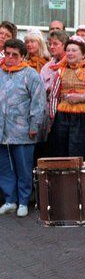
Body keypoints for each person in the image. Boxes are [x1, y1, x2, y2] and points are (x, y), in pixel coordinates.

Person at [0, 39, 45, 217]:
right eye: (7, 54)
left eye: (14, 55)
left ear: (22, 56)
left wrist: (34, 125)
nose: (10, 58)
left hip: (23, 129)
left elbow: (39, 102)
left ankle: (24, 201)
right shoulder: (1, 73)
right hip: (2, 130)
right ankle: (10, 200)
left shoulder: (31, 74)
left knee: (24, 167)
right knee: (4, 167)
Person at [46, 36, 85, 161]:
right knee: (61, 154)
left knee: (84, 154)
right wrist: (53, 116)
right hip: (63, 119)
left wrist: (81, 97)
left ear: (83, 54)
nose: (70, 53)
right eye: (68, 50)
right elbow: (54, 95)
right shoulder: (61, 71)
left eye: (74, 50)